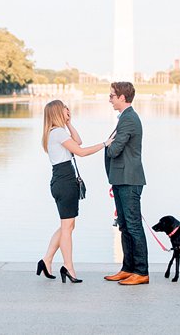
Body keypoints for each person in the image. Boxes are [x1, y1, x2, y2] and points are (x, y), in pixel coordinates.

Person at [38, 100, 114, 284]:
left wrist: (69, 123)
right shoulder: (57, 133)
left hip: (62, 180)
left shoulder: (56, 132)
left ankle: (46, 260)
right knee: (67, 227)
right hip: (65, 181)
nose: (68, 109)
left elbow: (78, 141)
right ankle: (68, 267)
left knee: (68, 226)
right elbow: (81, 151)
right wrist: (105, 144)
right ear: (57, 112)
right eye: (65, 108)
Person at [103, 82, 149, 286]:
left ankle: (141, 271)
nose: (110, 99)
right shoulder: (124, 118)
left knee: (133, 225)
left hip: (129, 180)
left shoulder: (129, 119)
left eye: (112, 96)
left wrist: (108, 145)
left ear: (122, 98)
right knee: (124, 225)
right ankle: (128, 268)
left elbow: (113, 150)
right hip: (121, 179)